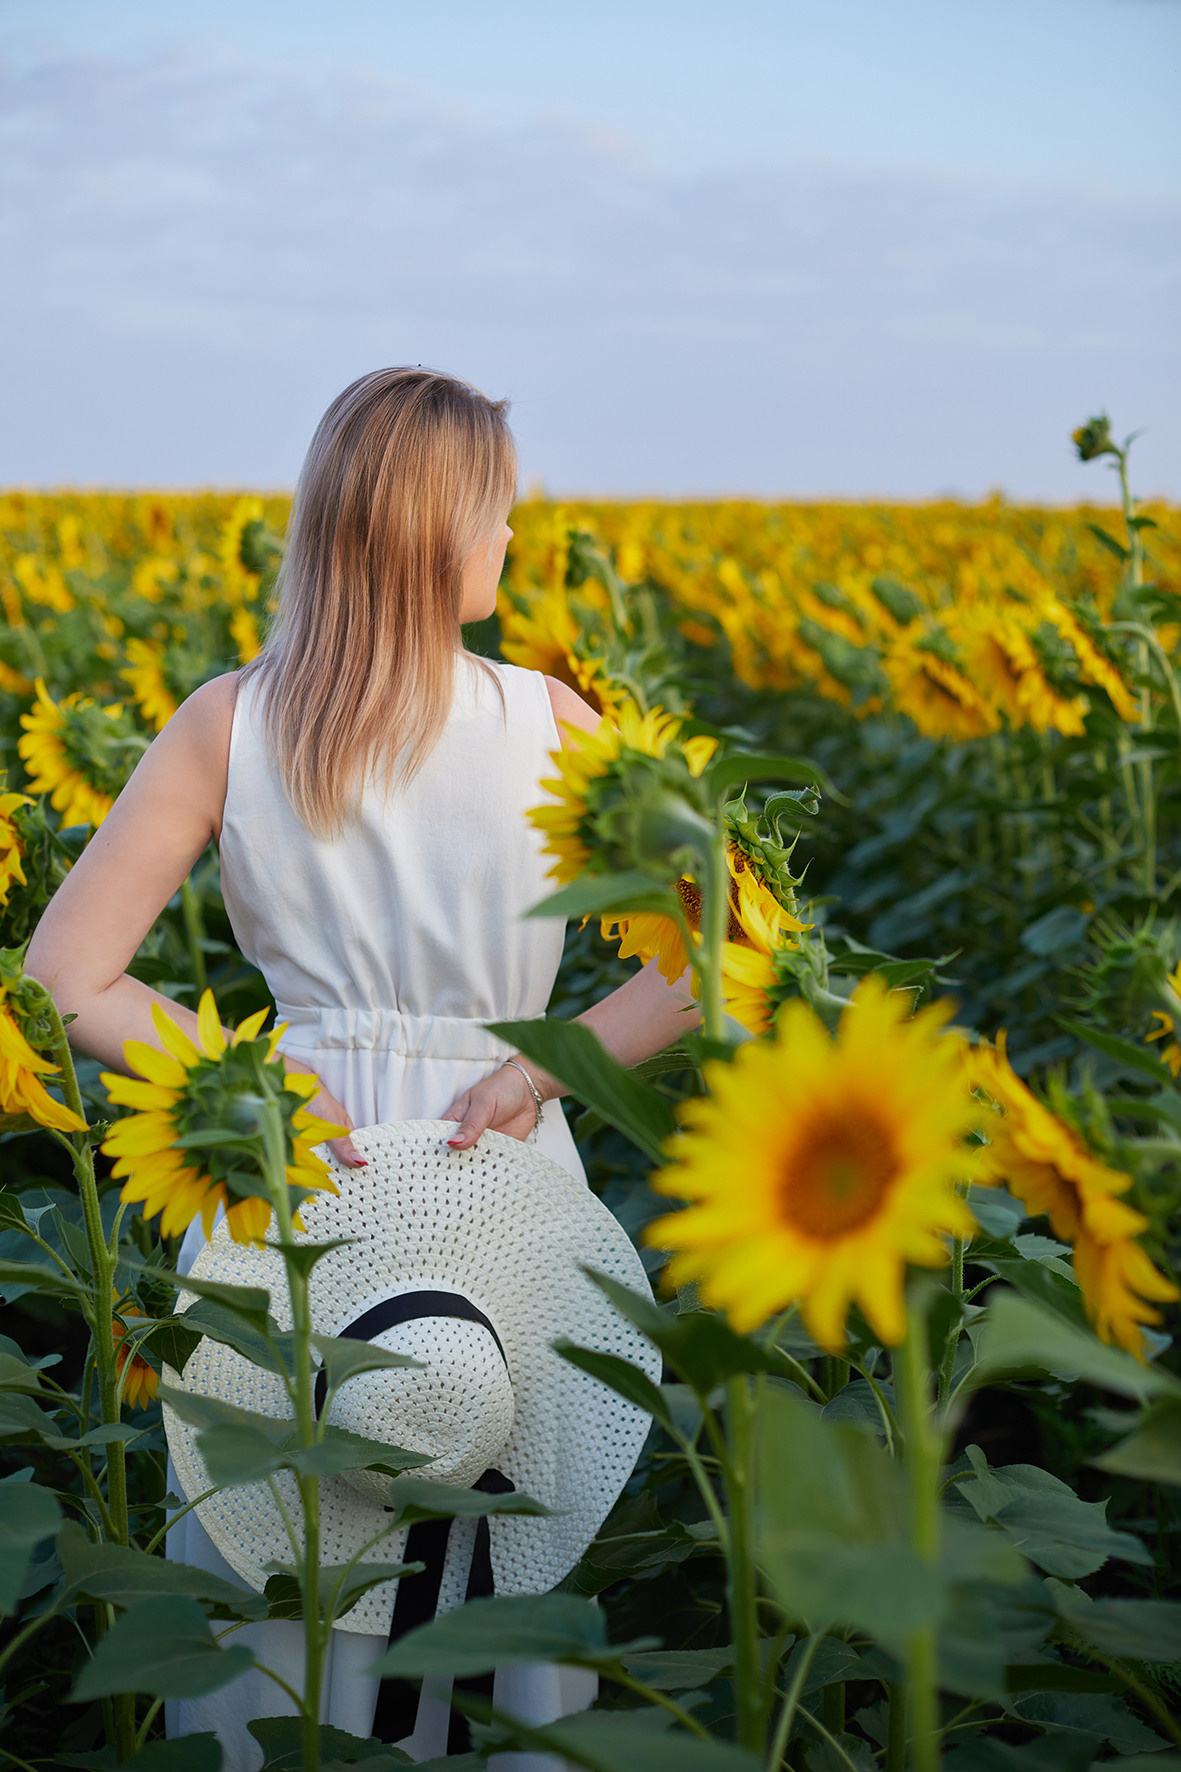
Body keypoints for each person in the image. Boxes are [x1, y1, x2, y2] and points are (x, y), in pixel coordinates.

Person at [26, 367, 698, 1764]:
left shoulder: (233, 719)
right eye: (498, 512)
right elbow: (707, 960)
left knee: (282, 1555)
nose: (512, 538)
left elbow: (64, 976)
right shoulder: (554, 723)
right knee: (489, 1522)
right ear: (440, 530)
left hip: (300, 1171)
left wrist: (257, 1085)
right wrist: (541, 1072)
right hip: (494, 1166)